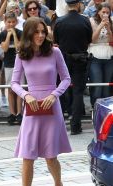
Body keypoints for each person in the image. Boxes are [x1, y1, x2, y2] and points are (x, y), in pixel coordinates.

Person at [11, 16, 72, 186]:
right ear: (28, 33)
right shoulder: (22, 54)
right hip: (31, 107)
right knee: (27, 157)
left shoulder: (54, 52)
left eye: (43, 32)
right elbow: (14, 83)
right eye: (36, 32)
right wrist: (26, 94)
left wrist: (54, 95)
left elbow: (66, 78)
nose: (40, 35)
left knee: (50, 156)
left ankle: (58, 183)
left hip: (51, 107)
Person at [53, 0, 92, 135]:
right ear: (78, 5)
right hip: (80, 59)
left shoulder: (60, 21)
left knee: (61, 91)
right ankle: (75, 126)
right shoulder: (85, 21)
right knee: (78, 92)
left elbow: (56, 40)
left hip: (64, 58)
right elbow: (89, 39)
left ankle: (59, 123)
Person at [0, 12, 23, 125]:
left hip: (20, 64)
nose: (11, 24)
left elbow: (19, 47)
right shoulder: (2, 34)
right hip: (8, 64)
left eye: (13, 22)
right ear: (5, 22)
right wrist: (8, 35)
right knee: (10, 89)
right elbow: (4, 48)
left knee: (20, 89)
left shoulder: (20, 33)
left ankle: (19, 112)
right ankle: (12, 112)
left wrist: (14, 35)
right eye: (9, 22)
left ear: (16, 22)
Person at [88, 3, 113, 108]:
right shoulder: (91, 21)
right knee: (97, 84)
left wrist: (108, 28)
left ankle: (106, 110)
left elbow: (112, 40)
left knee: (107, 86)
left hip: (109, 55)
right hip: (95, 55)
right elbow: (92, 39)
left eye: (107, 12)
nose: (105, 14)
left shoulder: (111, 21)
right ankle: (95, 108)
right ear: (98, 12)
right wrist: (101, 25)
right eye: (103, 12)